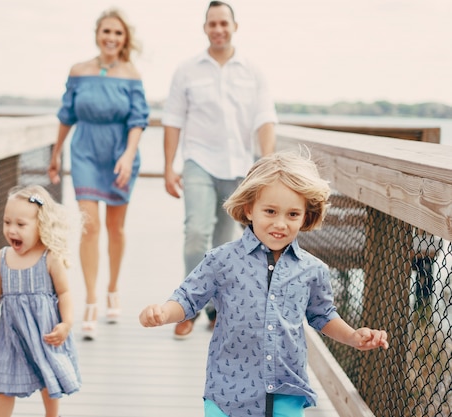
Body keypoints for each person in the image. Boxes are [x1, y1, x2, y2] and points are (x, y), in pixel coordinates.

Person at [139, 151, 389, 417]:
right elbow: (188, 298)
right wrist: (164, 312)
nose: (280, 224)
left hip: (287, 391)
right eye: (270, 211)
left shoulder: (313, 270)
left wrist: (351, 336)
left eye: (293, 214)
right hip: (228, 392)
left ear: (306, 215)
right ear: (249, 208)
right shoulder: (222, 260)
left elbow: (322, 315)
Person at [161, 0, 278, 339]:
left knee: (225, 243)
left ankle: (216, 306)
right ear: (205, 28)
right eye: (212, 24)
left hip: (240, 167)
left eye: (223, 23)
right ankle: (188, 305)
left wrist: (267, 165)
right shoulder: (187, 70)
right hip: (198, 160)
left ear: (234, 27)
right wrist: (169, 166)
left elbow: (264, 118)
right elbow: (172, 119)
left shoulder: (252, 71)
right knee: (196, 233)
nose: (218, 30)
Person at [48, 7, 149, 340]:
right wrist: (56, 152)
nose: (111, 38)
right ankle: (91, 298)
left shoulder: (132, 74)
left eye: (118, 33)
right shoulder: (78, 71)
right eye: (106, 31)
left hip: (119, 154)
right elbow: (66, 115)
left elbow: (138, 120)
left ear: (125, 39)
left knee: (115, 228)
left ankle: (113, 289)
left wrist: (128, 154)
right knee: (89, 227)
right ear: (97, 34)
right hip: (85, 152)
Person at [0, 185, 81, 417]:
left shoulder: (50, 258)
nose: (12, 230)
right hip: (12, 337)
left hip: (44, 335)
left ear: (41, 225)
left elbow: (64, 293)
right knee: (3, 386)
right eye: (7, 222)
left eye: (21, 225)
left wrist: (66, 323)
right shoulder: (2, 258)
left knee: (47, 380)